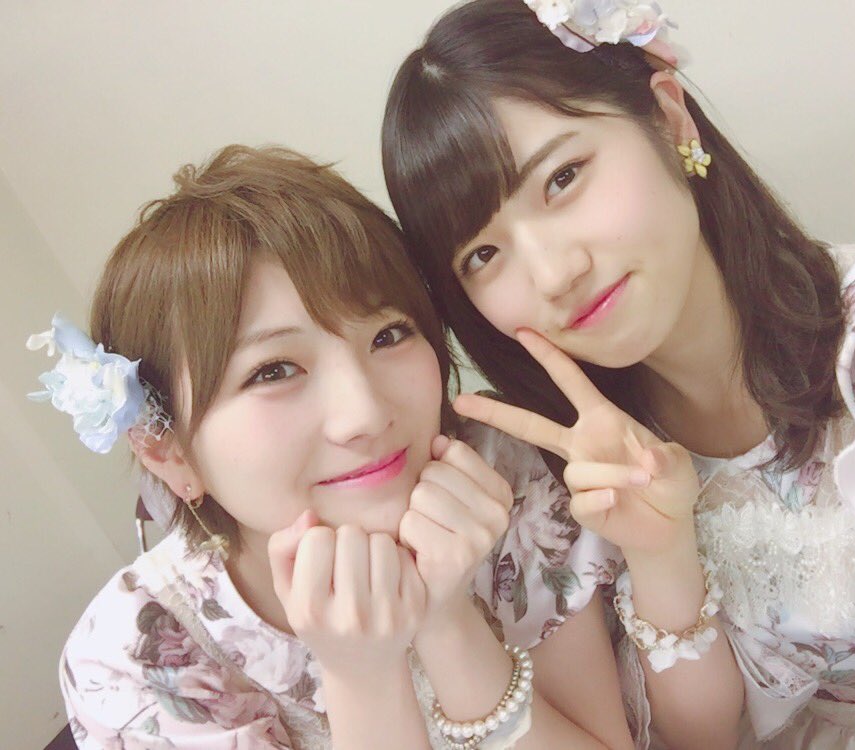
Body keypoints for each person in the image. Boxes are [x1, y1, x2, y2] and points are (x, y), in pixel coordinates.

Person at [380, 1, 855, 747]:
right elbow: (704, 738)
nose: (553, 273)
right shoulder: (582, 468)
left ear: (671, 120)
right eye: (484, 254)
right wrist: (658, 550)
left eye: (563, 178)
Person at [30, 145, 708, 750]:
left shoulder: (498, 479)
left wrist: (448, 624)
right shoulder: (135, 660)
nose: (365, 413)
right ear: (167, 451)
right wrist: (362, 678)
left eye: (388, 335)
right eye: (273, 371)